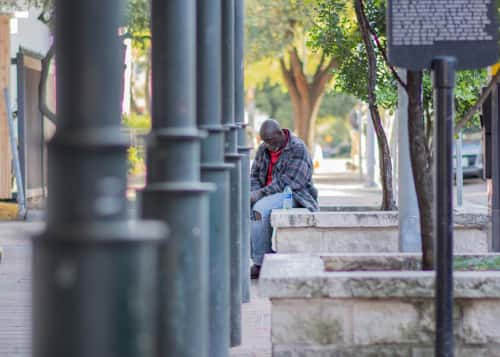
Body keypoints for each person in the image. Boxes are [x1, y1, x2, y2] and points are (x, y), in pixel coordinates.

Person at [250, 119, 319, 279]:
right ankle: (258, 254)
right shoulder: (264, 149)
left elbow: (291, 182)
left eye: (271, 141)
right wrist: (253, 192)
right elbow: (254, 175)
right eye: (265, 142)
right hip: (266, 193)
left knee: (259, 210)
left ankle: (260, 264)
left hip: (293, 194)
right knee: (245, 209)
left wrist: (259, 194)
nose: (268, 145)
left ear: (280, 133)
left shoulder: (298, 148)